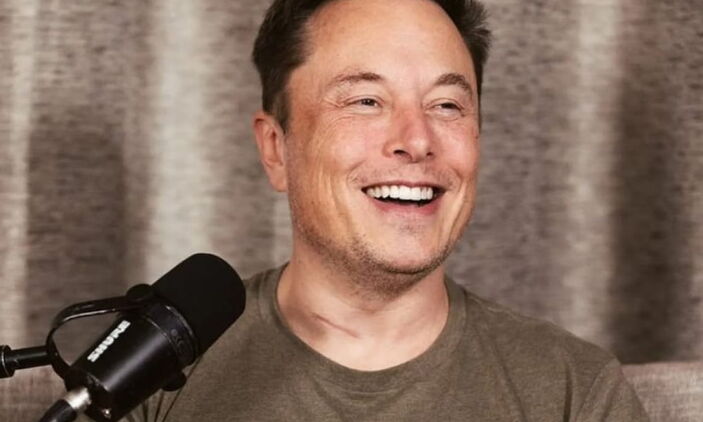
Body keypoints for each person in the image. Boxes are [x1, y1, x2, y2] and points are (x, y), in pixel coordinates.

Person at [128, 0, 650, 420]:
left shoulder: (574, 391)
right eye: (366, 101)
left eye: (446, 105)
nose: (417, 140)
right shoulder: (150, 370)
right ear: (276, 149)